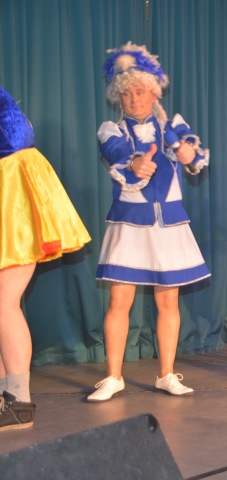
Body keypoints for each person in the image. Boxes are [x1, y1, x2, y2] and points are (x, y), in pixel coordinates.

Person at [88, 43, 210, 402]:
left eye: (140, 91)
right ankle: (114, 376)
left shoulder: (174, 126)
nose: (133, 99)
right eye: (126, 94)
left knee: (168, 302)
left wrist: (181, 147)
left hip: (169, 225)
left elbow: (194, 159)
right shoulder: (111, 130)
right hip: (130, 224)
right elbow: (117, 154)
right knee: (119, 300)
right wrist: (136, 164)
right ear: (119, 97)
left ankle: (166, 374)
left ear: (154, 93)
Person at [0, 86, 91, 430]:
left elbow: (16, 138)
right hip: (9, 193)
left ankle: (19, 401)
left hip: (13, 199)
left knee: (4, 303)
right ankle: (6, 397)